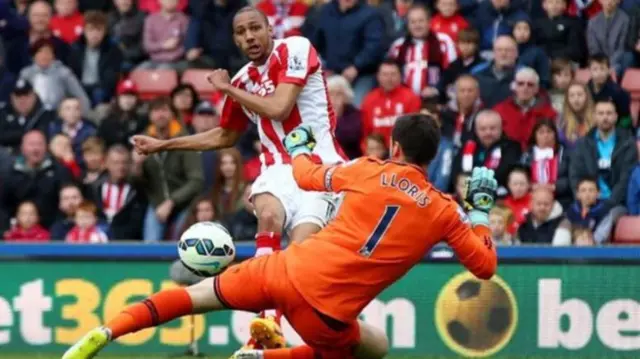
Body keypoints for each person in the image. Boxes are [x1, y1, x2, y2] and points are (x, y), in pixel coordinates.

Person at [62, 114, 498, 359]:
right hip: (324, 314)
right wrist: (479, 213)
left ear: (395, 146)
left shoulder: (369, 169)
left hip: (282, 269)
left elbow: (307, 176)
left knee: (192, 297)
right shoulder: (447, 213)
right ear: (432, 156)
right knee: (373, 348)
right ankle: (261, 358)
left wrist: (299, 144)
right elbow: (484, 266)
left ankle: (105, 332)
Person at [129, 6, 346, 350]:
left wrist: (227, 90)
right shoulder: (243, 79)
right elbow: (225, 135)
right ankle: (267, 323)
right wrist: (164, 144)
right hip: (276, 168)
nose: (250, 37)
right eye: (242, 32)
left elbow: (279, 108)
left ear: (269, 28)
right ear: (235, 38)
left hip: (321, 168)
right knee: (269, 216)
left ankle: (312, 329)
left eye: (255, 29)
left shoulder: (296, 49)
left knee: (300, 255)